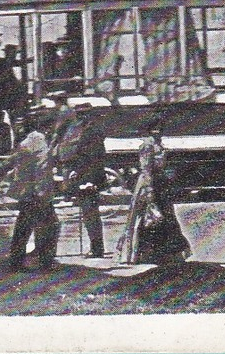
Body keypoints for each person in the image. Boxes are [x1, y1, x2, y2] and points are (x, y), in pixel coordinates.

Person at [116, 117, 191, 266]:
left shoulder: (159, 144)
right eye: (155, 128)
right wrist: (149, 191)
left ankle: (166, 252)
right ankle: (148, 253)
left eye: (160, 128)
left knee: (164, 216)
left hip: (160, 183)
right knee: (148, 218)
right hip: (148, 184)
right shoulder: (147, 145)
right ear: (149, 130)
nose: (158, 131)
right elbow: (146, 169)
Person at [2, 119, 59, 271]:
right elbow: (42, 167)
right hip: (36, 192)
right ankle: (45, 261)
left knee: (24, 226)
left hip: (27, 191)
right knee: (49, 226)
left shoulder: (27, 141)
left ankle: (17, 260)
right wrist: (42, 192)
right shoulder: (38, 141)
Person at [55, 105, 108, 260]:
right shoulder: (89, 129)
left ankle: (97, 248)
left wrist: (78, 171)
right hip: (87, 175)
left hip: (89, 177)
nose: (80, 118)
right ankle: (97, 247)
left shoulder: (91, 131)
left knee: (90, 212)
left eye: (82, 115)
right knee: (89, 213)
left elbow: (88, 156)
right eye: (79, 115)